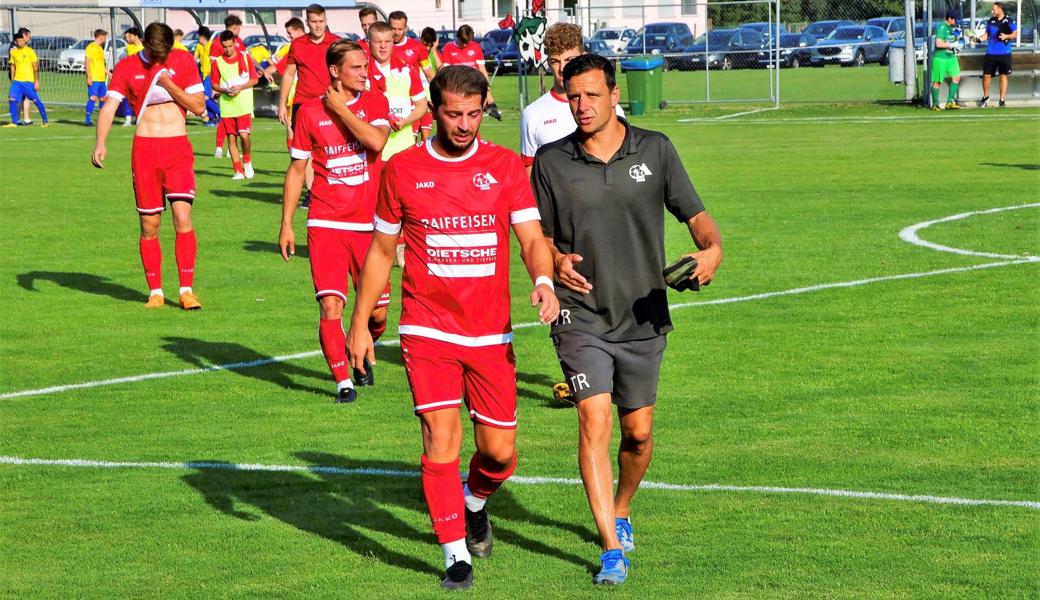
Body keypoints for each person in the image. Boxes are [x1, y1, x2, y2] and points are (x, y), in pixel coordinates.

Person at [345, 65, 559, 591]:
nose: (464, 125)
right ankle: (454, 555)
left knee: (500, 454)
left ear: (485, 105)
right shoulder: (402, 169)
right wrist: (360, 323)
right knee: (441, 439)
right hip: (428, 328)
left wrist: (544, 279)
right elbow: (380, 250)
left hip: (490, 332)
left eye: (473, 113)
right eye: (452, 114)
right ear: (432, 112)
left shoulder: (506, 167)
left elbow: (532, 238)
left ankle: (474, 502)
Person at [531, 54, 722, 586]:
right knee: (594, 419)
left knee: (637, 434)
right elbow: (536, 236)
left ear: (616, 95)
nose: (582, 106)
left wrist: (710, 253)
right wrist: (554, 259)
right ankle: (611, 548)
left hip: (643, 313)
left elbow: (700, 222)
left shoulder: (656, 150)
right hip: (580, 314)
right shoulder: (550, 161)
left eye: (592, 95)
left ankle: (621, 506)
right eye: (573, 96)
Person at [279, 39, 391, 403]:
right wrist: (286, 223)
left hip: (370, 226)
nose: (365, 72)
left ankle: (361, 342)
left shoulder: (375, 102)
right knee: (331, 304)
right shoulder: (309, 113)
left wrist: (341, 110)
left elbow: (375, 141)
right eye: (357, 67)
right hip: (325, 221)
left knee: (377, 312)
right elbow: (297, 171)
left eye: (365, 66)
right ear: (334, 71)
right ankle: (343, 379)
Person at [91, 22, 207, 310]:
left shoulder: (181, 60)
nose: (159, 58)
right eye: (154, 52)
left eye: (163, 52)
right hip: (145, 151)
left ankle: (186, 290)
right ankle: (155, 291)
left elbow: (199, 106)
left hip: (177, 148)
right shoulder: (127, 66)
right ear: (144, 44)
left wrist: (167, 83)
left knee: (182, 217)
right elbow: (109, 107)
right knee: (149, 224)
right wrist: (100, 142)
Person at [521, 22, 625, 175]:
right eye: (555, 61)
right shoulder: (533, 114)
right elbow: (528, 170)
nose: (562, 68)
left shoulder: (610, 107)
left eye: (569, 60)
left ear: (583, 56)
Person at [278, 3, 340, 208]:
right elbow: (288, 74)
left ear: (326, 20)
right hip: (304, 104)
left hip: (330, 102)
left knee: (332, 147)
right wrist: (282, 105)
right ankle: (312, 192)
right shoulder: (298, 44)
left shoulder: (336, 43)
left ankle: (332, 188)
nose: (318, 25)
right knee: (306, 151)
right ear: (307, 22)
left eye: (321, 21)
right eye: (314, 22)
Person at [367, 21, 427, 160]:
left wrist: (405, 121)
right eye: (378, 42)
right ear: (369, 42)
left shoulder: (407, 70)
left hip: (403, 148)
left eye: (387, 41)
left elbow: (422, 106)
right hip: (372, 150)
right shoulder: (362, 72)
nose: (383, 46)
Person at [212, 30, 258, 179]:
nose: (228, 49)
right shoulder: (217, 62)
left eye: (230, 46)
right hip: (227, 105)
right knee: (231, 138)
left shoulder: (245, 58)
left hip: (244, 104)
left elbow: (254, 79)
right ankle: (238, 171)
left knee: (244, 136)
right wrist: (224, 90)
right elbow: (214, 84)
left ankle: (247, 161)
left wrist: (241, 87)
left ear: (235, 43)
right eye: (225, 47)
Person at [440, 25, 495, 108]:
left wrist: (488, 93)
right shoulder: (449, 48)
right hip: (456, 90)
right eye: (463, 41)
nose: (465, 45)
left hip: (474, 88)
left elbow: (482, 70)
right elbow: (445, 72)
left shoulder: (476, 47)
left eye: (467, 42)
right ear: (458, 37)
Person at [977, 1, 1018, 107]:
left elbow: (1015, 34)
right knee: (986, 76)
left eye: (994, 9)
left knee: (1003, 76)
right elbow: (986, 35)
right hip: (991, 53)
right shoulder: (990, 21)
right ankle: (986, 97)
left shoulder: (1009, 20)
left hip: (1004, 53)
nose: (992, 11)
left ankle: (1002, 100)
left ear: (1000, 9)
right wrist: (979, 39)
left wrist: (1006, 37)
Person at [4, 31, 48, 128]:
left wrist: (36, 81)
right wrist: (13, 80)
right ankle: (14, 122)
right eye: (19, 41)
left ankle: (46, 121)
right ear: (16, 41)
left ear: (24, 40)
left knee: (36, 100)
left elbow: (35, 68)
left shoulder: (30, 51)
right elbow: (12, 66)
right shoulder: (13, 52)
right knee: (11, 99)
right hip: (17, 81)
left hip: (28, 81)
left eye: (22, 41)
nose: (21, 43)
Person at [388, 10, 436, 82]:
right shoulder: (381, 47)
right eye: (393, 29)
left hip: (412, 92)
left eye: (400, 29)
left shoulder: (417, 47)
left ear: (406, 28)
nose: (396, 32)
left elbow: (430, 75)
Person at [931, 10, 964, 111]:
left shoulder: (954, 27)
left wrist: (958, 45)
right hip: (940, 58)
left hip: (951, 57)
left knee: (956, 77)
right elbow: (938, 43)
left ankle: (949, 102)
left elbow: (957, 40)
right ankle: (935, 104)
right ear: (949, 19)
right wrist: (951, 45)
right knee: (937, 81)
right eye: (955, 19)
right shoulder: (941, 27)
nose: (956, 21)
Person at [417, 27, 442, 141]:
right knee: (411, 139)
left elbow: (441, 69)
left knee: (425, 138)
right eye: (425, 44)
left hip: (428, 102)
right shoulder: (414, 52)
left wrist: (434, 50)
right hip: (414, 103)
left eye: (429, 45)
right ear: (420, 39)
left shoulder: (432, 55)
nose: (426, 48)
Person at [194, 27, 221, 130]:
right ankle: (212, 117)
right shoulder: (199, 46)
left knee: (206, 97)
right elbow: (194, 59)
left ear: (202, 36)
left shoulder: (212, 45)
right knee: (207, 98)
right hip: (203, 75)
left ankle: (220, 114)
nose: (198, 39)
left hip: (211, 74)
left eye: (199, 36)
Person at [120, 27, 145, 127]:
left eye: (129, 36)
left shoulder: (145, 48)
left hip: (143, 77)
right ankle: (128, 119)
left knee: (142, 99)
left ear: (135, 36)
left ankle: (140, 118)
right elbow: (124, 61)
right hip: (130, 76)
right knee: (128, 98)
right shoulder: (128, 48)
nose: (127, 39)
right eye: (126, 37)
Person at [84, 29, 109, 126]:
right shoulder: (91, 47)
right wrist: (89, 77)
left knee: (103, 99)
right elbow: (87, 62)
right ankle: (88, 120)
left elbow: (101, 65)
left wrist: (109, 73)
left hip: (101, 79)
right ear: (101, 37)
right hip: (94, 79)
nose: (105, 40)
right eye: (105, 38)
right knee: (92, 98)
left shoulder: (100, 49)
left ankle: (101, 119)